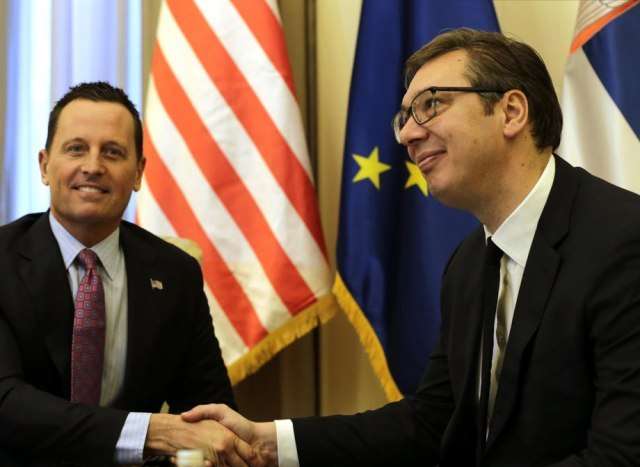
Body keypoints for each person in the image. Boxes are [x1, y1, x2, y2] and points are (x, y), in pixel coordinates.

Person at [180, 29, 640, 466]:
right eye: (404, 117)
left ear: (512, 112)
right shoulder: (468, 264)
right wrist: (269, 442)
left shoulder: (623, 240)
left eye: (431, 104)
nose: (406, 135)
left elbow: (621, 454)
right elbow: (432, 422)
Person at [0, 82, 257, 467]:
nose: (93, 166)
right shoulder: (3, 262)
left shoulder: (176, 273)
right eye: (76, 148)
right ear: (44, 165)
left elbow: (208, 408)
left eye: (113, 152)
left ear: (138, 172)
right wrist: (153, 432)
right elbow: (7, 404)